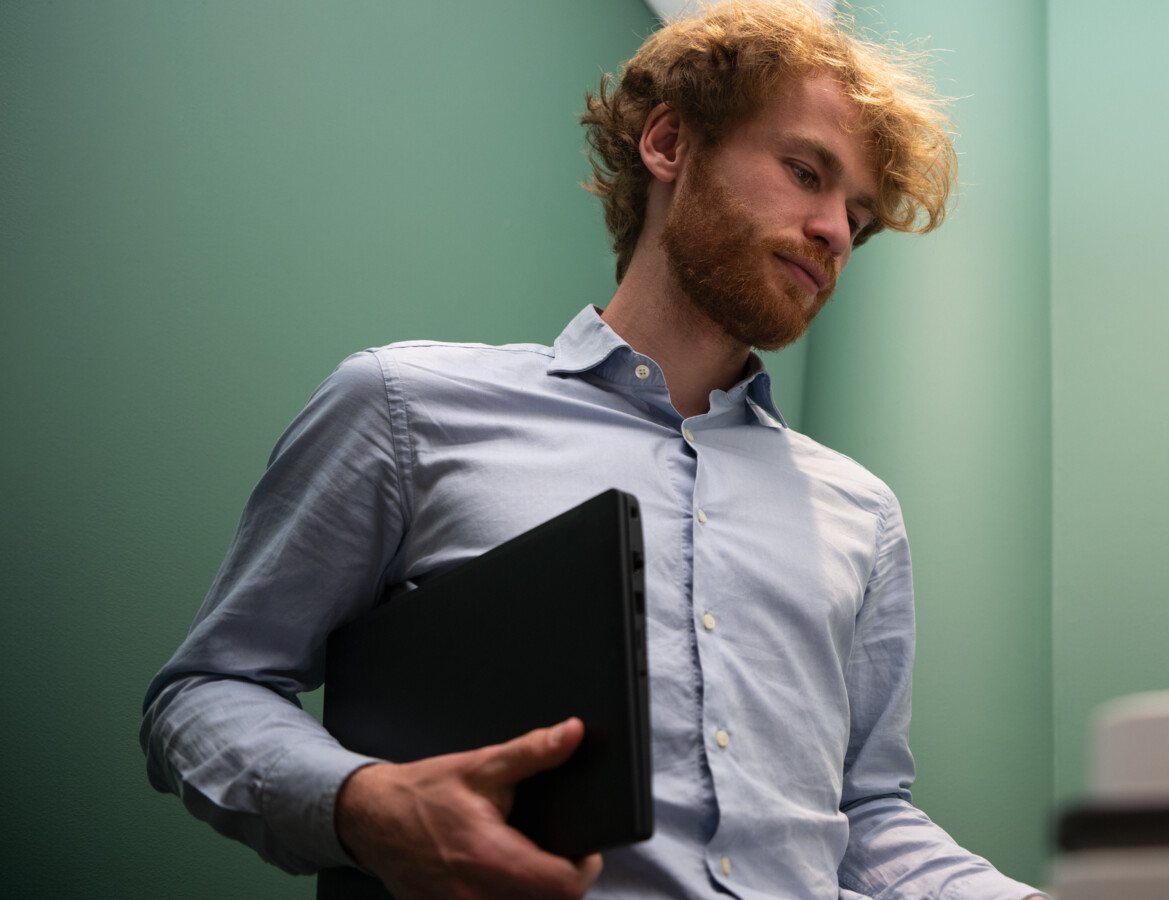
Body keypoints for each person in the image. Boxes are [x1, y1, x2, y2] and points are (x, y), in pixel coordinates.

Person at [141, 2, 1045, 897]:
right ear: (668, 145)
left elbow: (868, 816)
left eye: (858, 215)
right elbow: (206, 692)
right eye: (805, 171)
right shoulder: (404, 406)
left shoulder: (863, 515)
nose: (838, 233)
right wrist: (367, 805)